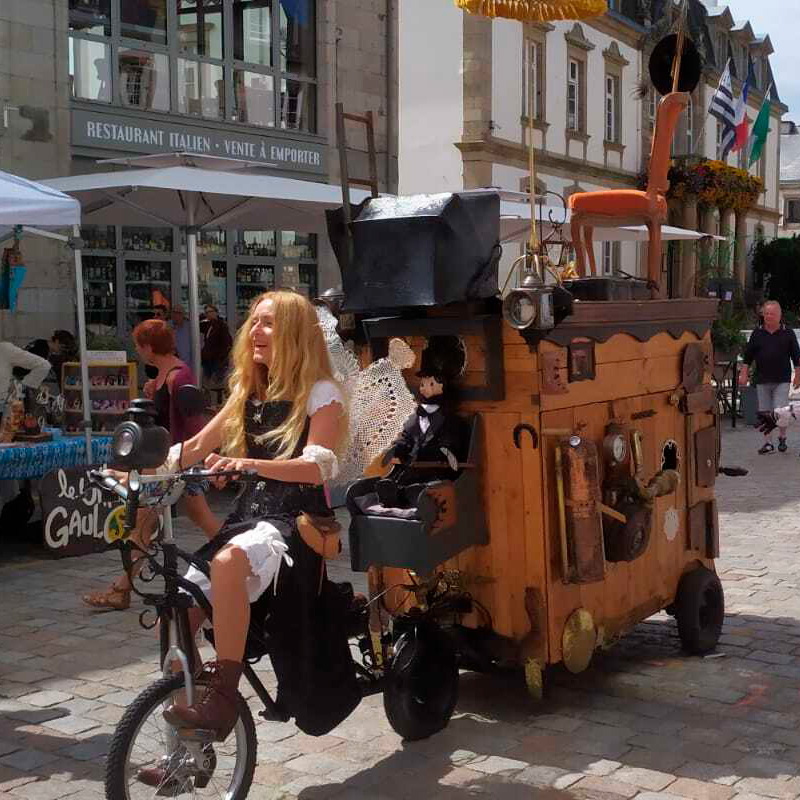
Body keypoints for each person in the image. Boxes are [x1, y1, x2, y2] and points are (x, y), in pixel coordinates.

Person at [132, 290, 359, 777]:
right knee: (181, 603)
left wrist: (246, 463)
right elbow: (192, 446)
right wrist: (141, 474)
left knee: (228, 561)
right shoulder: (247, 390)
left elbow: (318, 468)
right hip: (249, 518)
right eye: (254, 321)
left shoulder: (322, 392)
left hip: (294, 524)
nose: (255, 331)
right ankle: (187, 753)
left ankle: (223, 698)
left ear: (296, 335)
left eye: (270, 324)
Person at [82, 319, 221, 611]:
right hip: (169, 463)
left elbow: (196, 424)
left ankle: (239, 562)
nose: (138, 351)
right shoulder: (164, 376)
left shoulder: (178, 377)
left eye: (139, 345)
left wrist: (206, 458)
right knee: (148, 523)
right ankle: (123, 588)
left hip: (178, 464)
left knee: (152, 522)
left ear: (148, 347)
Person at [738, 300, 800, 454]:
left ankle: (782, 437)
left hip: (782, 379)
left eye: (772, 314)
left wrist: (798, 375)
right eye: (766, 313)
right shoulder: (757, 333)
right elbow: (748, 356)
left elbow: (797, 357)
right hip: (762, 379)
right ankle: (767, 443)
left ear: (779, 315)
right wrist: (744, 372)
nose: (769, 316)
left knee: (779, 411)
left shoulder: (788, 333)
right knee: (765, 412)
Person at [200, 304, 232, 384]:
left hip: (216, 361)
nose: (208, 314)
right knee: (207, 383)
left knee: (215, 384)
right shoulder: (207, 325)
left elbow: (227, 343)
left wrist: (220, 358)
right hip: (207, 360)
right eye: (206, 312)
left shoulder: (221, 325)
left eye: (210, 311)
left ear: (216, 312)